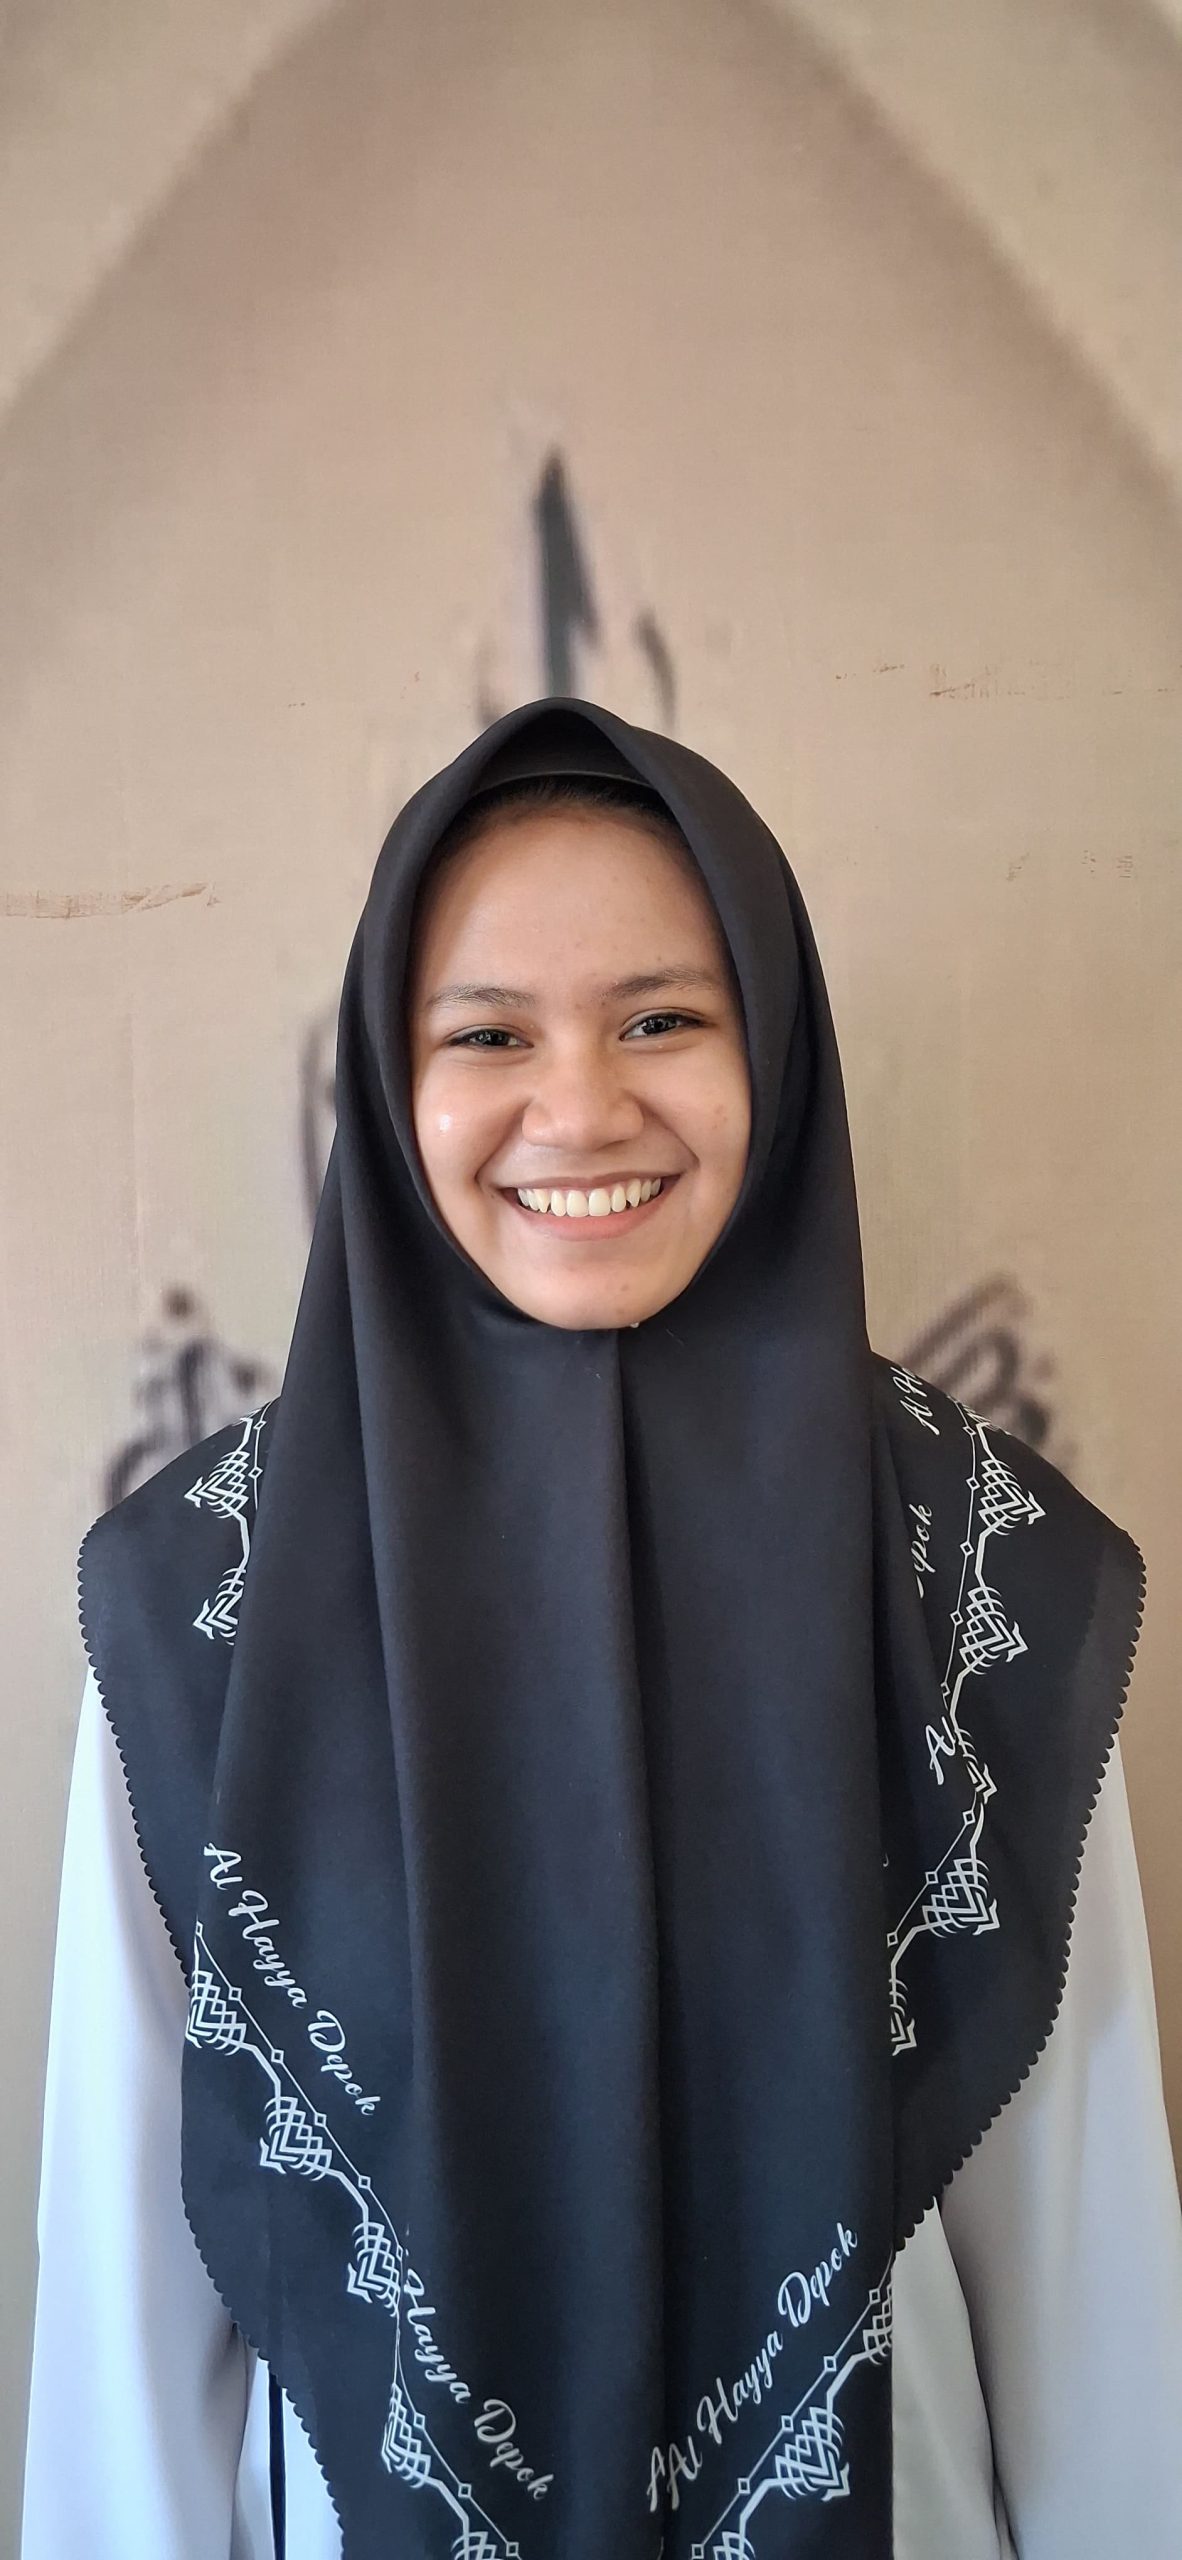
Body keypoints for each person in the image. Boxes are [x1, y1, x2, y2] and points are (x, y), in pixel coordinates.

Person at [22, 699, 1182, 2559]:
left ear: (775, 1048)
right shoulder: (205, 1601)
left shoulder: (975, 1571)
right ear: (385, 1086)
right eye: (486, 1034)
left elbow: (1081, 2251)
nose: (579, 1110)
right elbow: (129, 2299)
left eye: (662, 1020)